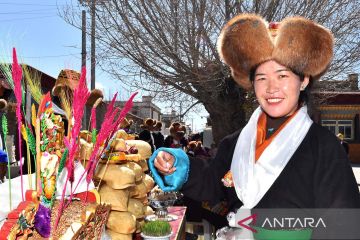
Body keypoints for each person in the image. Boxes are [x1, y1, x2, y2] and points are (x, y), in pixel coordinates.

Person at [148, 14, 360, 238]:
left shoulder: (323, 146)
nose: (271, 88)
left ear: (304, 80)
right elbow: (212, 181)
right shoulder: (238, 141)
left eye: (282, 75)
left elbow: (342, 224)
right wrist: (174, 163)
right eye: (261, 78)